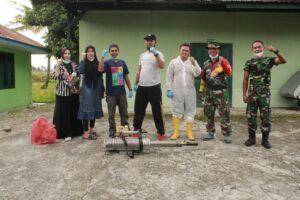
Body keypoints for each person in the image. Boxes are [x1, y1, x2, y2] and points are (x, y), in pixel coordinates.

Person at [243, 41, 286, 149]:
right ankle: (251, 138)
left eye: (259, 47)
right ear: (252, 50)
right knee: (250, 116)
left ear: (263, 48)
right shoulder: (249, 62)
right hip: (252, 93)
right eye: (255, 47)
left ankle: (265, 140)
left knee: (265, 117)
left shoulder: (268, 60)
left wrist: (276, 51)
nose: (257, 49)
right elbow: (245, 79)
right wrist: (244, 94)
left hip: (264, 93)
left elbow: (283, 61)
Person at [133, 33, 167, 140]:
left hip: (154, 87)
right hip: (142, 87)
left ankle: (160, 132)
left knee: (157, 111)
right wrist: (135, 83)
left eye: (151, 40)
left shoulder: (159, 53)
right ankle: (136, 129)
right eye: (147, 40)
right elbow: (139, 70)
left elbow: (162, 66)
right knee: (138, 110)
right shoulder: (142, 55)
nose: (149, 42)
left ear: (155, 42)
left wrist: (155, 54)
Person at [166, 43, 201, 140]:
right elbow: (169, 77)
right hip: (177, 90)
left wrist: (194, 63)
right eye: (183, 50)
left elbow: (198, 73)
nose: (185, 52)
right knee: (176, 110)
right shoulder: (173, 62)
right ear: (179, 51)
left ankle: (189, 132)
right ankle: (176, 132)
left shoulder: (192, 61)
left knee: (190, 111)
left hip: (190, 91)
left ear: (189, 52)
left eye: (187, 51)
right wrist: (169, 89)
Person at [200, 40, 233, 143]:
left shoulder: (223, 61)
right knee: (209, 113)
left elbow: (229, 73)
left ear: (218, 50)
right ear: (208, 51)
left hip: (221, 92)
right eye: (210, 49)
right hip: (209, 92)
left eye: (215, 49)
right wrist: (202, 90)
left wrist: (223, 64)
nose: (212, 51)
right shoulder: (205, 63)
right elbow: (203, 78)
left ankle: (227, 134)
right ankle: (210, 132)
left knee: (224, 113)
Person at [99, 44, 133, 138]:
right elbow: (100, 69)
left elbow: (126, 76)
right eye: (112, 50)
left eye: (115, 50)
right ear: (109, 52)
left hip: (122, 93)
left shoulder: (122, 62)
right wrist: (102, 57)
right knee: (111, 114)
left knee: (124, 113)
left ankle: (125, 129)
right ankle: (112, 130)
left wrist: (130, 88)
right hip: (111, 94)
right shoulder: (107, 62)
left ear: (118, 51)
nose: (114, 52)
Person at [52, 47, 83, 141]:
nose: (67, 55)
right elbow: (54, 76)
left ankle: (76, 132)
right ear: (62, 55)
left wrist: (75, 74)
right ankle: (66, 133)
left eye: (69, 53)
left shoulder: (74, 64)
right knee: (64, 114)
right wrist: (57, 66)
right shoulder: (59, 65)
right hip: (62, 94)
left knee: (73, 112)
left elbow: (79, 73)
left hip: (73, 93)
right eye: (65, 53)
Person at [78, 45, 104, 140]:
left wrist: (102, 89)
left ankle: (91, 130)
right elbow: (80, 71)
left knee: (94, 108)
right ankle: (85, 131)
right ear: (86, 53)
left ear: (94, 53)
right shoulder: (84, 63)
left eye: (92, 51)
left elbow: (101, 72)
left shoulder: (97, 63)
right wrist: (82, 60)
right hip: (86, 89)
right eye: (88, 51)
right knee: (86, 109)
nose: (90, 53)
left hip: (96, 89)